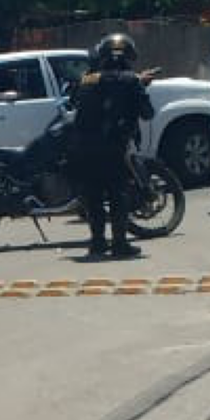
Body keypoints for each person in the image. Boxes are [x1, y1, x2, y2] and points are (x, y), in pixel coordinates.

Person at [73, 33, 156, 258]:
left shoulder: (88, 79)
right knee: (118, 194)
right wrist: (139, 84)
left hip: (85, 147)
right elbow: (148, 113)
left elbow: (75, 102)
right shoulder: (131, 81)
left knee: (94, 197)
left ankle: (98, 242)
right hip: (113, 147)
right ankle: (119, 244)